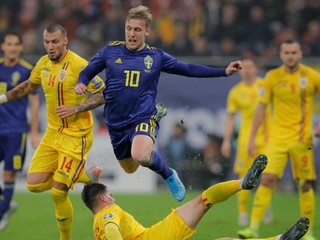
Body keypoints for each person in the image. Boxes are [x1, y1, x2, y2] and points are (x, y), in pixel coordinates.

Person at [56, 5, 242, 203]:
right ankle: (152, 157)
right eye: (129, 28)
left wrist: (223, 71)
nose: (132, 34)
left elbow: (188, 69)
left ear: (147, 31)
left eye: (137, 29)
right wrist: (82, 83)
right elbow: (87, 71)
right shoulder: (110, 51)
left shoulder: (156, 57)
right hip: (116, 122)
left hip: (143, 115)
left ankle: (169, 174)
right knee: (130, 168)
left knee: (141, 155)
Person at [0, 23, 105, 240]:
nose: (50, 46)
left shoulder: (80, 65)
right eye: (47, 42)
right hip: (52, 134)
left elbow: (103, 94)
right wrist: (2, 98)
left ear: (65, 41)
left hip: (76, 136)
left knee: (58, 191)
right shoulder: (43, 64)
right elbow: (28, 86)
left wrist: (76, 107)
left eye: (55, 42)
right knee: (33, 184)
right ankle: (89, 176)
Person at [82, 154, 309, 240]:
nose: (114, 199)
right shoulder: (108, 212)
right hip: (157, 237)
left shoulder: (97, 220)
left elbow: (96, 202)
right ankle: (243, 183)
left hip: (157, 234)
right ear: (103, 199)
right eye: (110, 195)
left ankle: (280, 239)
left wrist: (93, 178)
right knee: (204, 199)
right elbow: (112, 228)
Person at [238, 39, 319, 240]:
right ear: (281, 55)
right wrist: (251, 139)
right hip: (277, 139)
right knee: (267, 178)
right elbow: (261, 108)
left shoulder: (311, 76)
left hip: (302, 139)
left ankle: (309, 231)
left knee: (305, 184)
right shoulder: (272, 77)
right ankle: (253, 227)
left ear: (300, 54)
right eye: (286, 52)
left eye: (294, 52)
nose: (290, 56)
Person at [221, 58, 272, 226]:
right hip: (245, 140)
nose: (247, 71)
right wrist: (227, 140)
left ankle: (264, 209)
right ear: (239, 71)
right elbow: (230, 118)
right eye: (243, 68)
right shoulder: (235, 92)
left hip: (267, 138)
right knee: (244, 176)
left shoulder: (265, 86)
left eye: (250, 67)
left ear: (256, 69)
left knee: (267, 177)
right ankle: (243, 214)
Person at [0, 31, 40, 230]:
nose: (13, 47)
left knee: (8, 175)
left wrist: (33, 132)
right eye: (9, 44)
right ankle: (5, 204)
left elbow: (34, 104)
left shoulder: (27, 70)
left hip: (16, 131)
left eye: (16, 44)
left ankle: (2, 212)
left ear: (21, 47)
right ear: (3, 46)